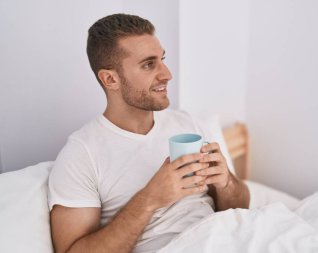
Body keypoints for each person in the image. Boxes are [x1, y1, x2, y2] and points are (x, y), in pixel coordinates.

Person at [48, 13, 250, 253]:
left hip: (233, 239)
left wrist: (226, 182)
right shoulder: (82, 154)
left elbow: (242, 206)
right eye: (149, 64)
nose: (167, 74)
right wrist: (151, 198)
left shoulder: (188, 123)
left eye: (162, 59)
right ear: (110, 79)